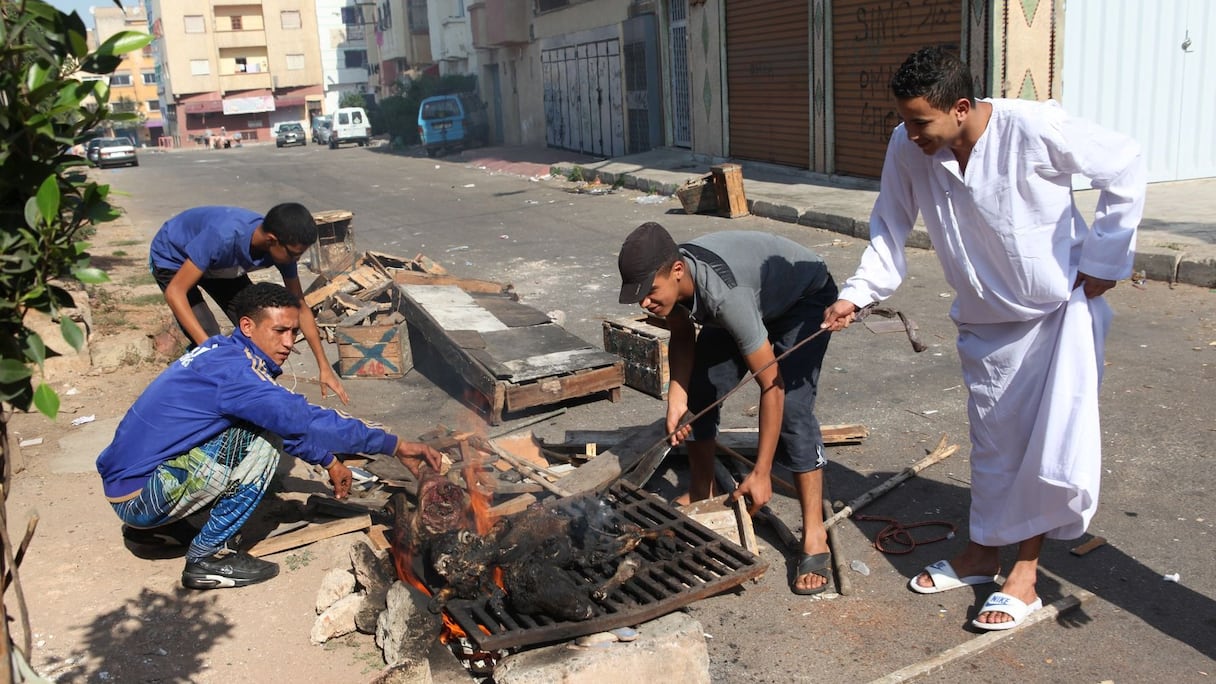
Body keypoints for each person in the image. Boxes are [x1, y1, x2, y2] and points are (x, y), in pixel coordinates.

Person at [821, 47, 1145, 630]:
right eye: (906, 120)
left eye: (922, 121)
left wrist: (1107, 257)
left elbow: (1123, 163)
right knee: (995, 451)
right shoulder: (909, 146)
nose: (911, 134)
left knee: (1043, 451)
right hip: (985, 323)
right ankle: (980, 555)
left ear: (962, 107)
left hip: (1054, 318)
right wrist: (857, 293)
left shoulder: (1034, 128)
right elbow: (890, 226)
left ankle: (1025, 575)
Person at [96, 283, 444, 590]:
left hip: (129, 485)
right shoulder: (238, 376)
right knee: (264, 443)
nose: (289, 343)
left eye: (293, 332)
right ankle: (208, 559)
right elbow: (301, 420)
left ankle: (165, 529)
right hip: (141, 496)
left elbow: (281, 419)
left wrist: (327, 460)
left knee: (258, 428)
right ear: (247, 326)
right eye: (279, 331)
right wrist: (393, 445)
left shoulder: (223, 351)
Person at [618, 222, 838, 595]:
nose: (645, 304)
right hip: (755, 298)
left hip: (805, 298)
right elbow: (683, 335)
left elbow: (772, 385)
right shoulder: (673, 286)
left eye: (651, 292)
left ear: (676, 271)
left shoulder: (726, 298)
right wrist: (678, 399)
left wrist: (763, 471)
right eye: (640, 296)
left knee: (794, 411)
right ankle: (701, 492)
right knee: (702, 385)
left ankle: (815, 533)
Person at [149, 202, 349, 404]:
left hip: (219, 265)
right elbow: (175, 292)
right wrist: (208, 348)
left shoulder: (281, 249)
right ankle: (198, 395)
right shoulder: (222, 237)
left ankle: (252, 391)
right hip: (174, 259)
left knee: (260, 326)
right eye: (294, 254)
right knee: (210, 338)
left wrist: (324, 366)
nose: (295, 260)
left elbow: (300, 306)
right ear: (272, 240)